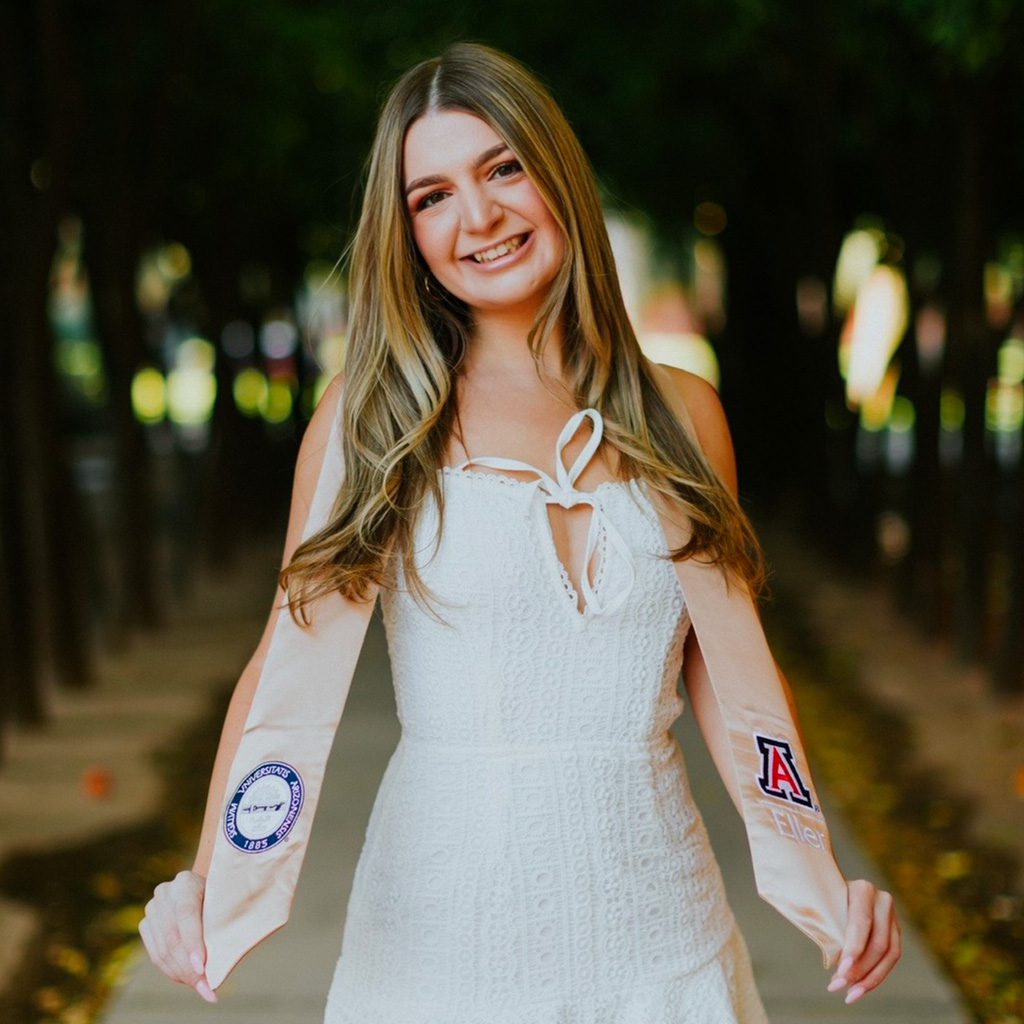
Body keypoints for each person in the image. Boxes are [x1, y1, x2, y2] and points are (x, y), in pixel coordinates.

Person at [139, 40, 901, 1021]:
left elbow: (725, 669)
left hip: (659, 923)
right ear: (406, 230)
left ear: (558, 178)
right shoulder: (371, 422)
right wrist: (211, 881)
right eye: (433, 196)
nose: (480, 216)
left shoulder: (684, 416)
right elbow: (280, 672)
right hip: (435, 933)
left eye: (503, 168)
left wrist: (819, 876)